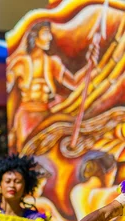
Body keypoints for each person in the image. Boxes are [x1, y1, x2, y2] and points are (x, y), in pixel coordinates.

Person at [7, 21, 100, 153]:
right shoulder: (20, 62)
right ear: (34, 37)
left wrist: (90, 66)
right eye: (45, 33)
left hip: (46, 116)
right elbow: (10, 94)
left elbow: (74, 83)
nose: (50, 37)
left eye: (49, 33)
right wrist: (11, 127)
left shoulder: (53, 62)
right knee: (25, 155)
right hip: (26, 116)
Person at [0, 154, 48, 221]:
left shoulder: (34, 219)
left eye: (17, 182)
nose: (12, 185)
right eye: (7, 181)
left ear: (25, 186)